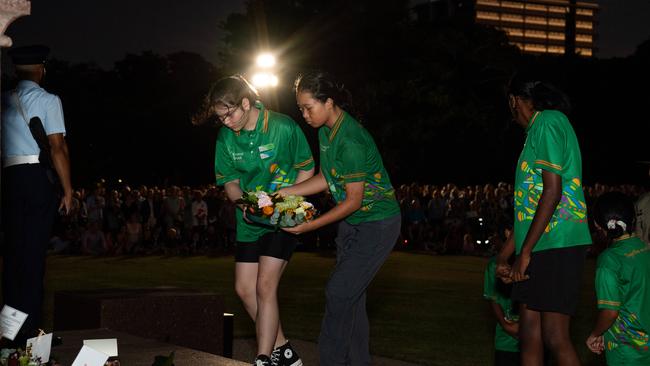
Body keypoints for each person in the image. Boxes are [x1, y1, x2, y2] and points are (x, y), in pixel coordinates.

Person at [279, 71, 401, 366]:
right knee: (351, 298)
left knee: (338, 291)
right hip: (353, 224)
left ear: (329, 102)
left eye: (309, 107)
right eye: (301, 109)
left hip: (377, 224)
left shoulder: (351, 140)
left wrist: (309, 226)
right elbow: (326, 177)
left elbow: (353, 200)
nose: (305, 115)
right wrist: (289, 190)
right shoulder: (325, 131)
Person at [194, 75, 314, 366]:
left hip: (281, 219)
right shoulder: (226, 138)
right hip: (249, 218)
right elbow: (230, 183)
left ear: (245, 104)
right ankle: (283, 350)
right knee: (245, 289)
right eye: (219, 117)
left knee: (265, 286)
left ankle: (263, 358)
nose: (225, 121)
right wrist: (244, 203)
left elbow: (307, 170)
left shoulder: (283, 127)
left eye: (228, 113)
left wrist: (286, 203)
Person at [495, 73, 592, 366]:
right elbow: (528, 209)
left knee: (554, 336)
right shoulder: (533, 134)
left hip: (558, 241)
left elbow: (552, 191)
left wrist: (524, 253)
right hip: (538, 243)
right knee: (530, 335)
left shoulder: (549, 121)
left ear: (514, 101)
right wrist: (504, 256)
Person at [1, 45, 73, 345]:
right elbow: (57, 147)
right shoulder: (47, 99)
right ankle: (29, 336)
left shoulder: (4, 100)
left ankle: (9, 331)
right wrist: (68, 189)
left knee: (13, 258)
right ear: (41, 69)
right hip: (34, 178)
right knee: (32, 258)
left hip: (8, 179)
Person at [586, 191, 650, 365]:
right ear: (634, 219)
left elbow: (610, 311)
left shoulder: (609, 260)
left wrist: (595, 334)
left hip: (627, 350)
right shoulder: (644, 248)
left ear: (598, 225)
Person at [484, 227, 520, 366]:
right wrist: (505, 325)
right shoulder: (494, 265)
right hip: (505, 341)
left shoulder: (532, 263)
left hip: (532, 336)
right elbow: (493, 297)